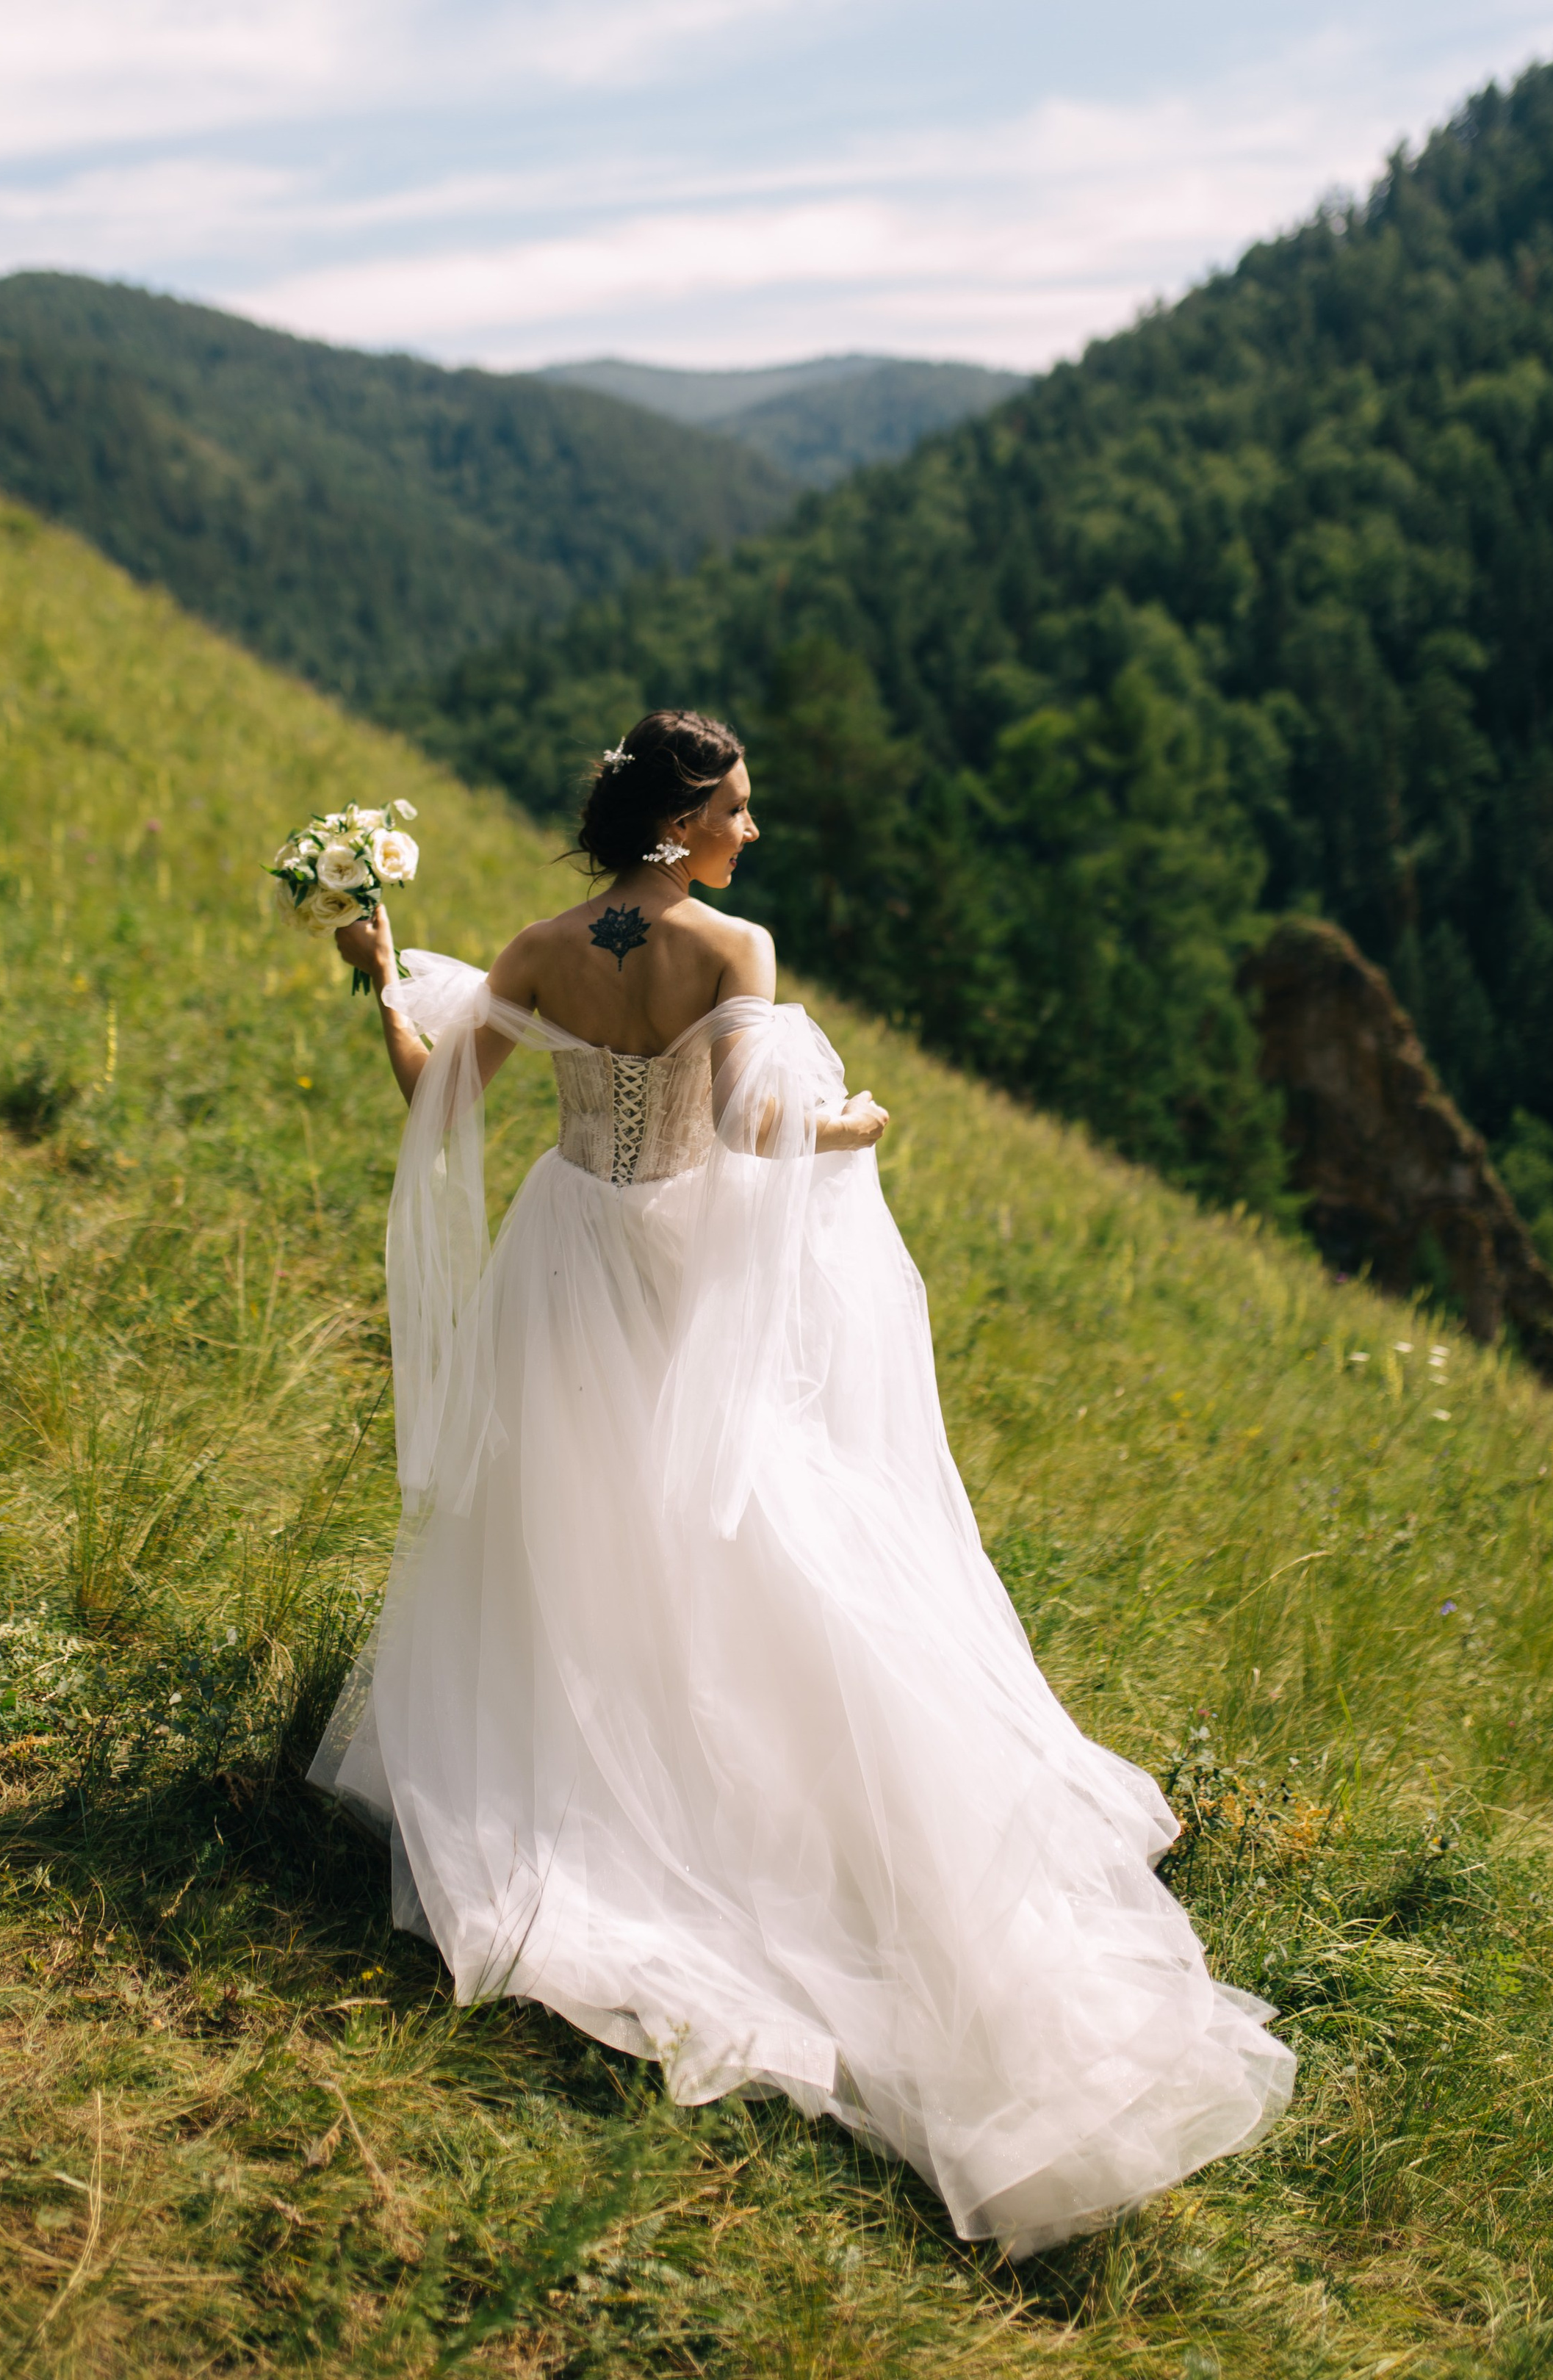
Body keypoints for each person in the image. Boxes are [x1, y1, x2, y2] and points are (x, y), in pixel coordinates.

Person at [309, 708, 1292, 2257]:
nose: (751, 831)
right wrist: (857, 1122)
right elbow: (761, 1138)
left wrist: (381, 980)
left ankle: (587, 1738)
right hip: (677, 1272)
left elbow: (436, 1092)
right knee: (740, 1520)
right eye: (738, 807)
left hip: (561, 1260)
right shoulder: (736, 953)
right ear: (683, 819)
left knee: (573, 1520)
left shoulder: (537, 944)